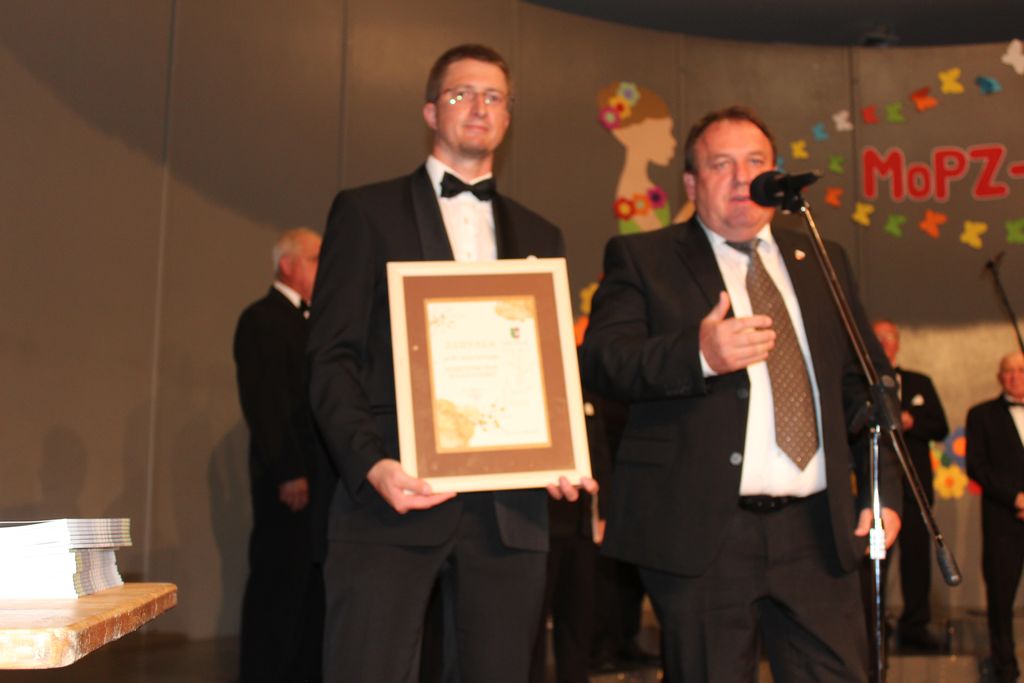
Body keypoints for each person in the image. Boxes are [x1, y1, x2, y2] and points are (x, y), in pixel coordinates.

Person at [579, 105, 902, 682]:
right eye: (721, 164)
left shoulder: (821, 257)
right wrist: (698, 354)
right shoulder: (644, 258)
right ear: (690, 183)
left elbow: (866, 386)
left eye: (755, 163)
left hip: (817, 531)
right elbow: (604, 360)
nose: (741, 178)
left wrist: (884, 492)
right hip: (705, 533)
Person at [307, 44, 596, 683]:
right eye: (462, 94)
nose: (479, 107)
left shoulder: (542, 235)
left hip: (512, 513)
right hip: (391, 493)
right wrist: (371, 464)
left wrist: (561, 449)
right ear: (431, 112)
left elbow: (547, 367)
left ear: (508, 117)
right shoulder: (365, 212)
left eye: (494, 97)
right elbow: (330, 358)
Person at [233, 226, 333, 682]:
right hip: (288, 483)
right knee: (278, 585)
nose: (323, 267)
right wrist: (290, 471)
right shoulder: (262, 318)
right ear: (287, 264)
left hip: (319, 483)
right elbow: (267, 402)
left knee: (308, 590)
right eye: (315, 258)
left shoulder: (314, 322)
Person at [867, 319, 949, 652]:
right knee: (876, 558)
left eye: (889, 338)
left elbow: (940, 426)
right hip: (877, 489)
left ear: (897, 344)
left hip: (915, 490)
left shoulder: (919, 382)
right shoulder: (860, 381)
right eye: (878, 338)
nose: (884, 344)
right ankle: (874, 623)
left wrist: (912, 422)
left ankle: (915, 625)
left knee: (917, 559)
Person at [966, 351, 1024, 683]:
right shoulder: (982, 415)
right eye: (1009, 371)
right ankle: (1005, 667)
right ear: (1000, 376)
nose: (1015, 376)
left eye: (1021, 370)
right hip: (1003, 520)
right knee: (1001, 597)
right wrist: (1016, 497)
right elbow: (977, 466)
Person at [597, 81, 693, 234]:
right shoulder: (632, 192)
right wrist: (695, 203)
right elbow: (660, 242)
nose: (673, 142)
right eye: (663, 132)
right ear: (630, 134)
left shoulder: (644, 187)